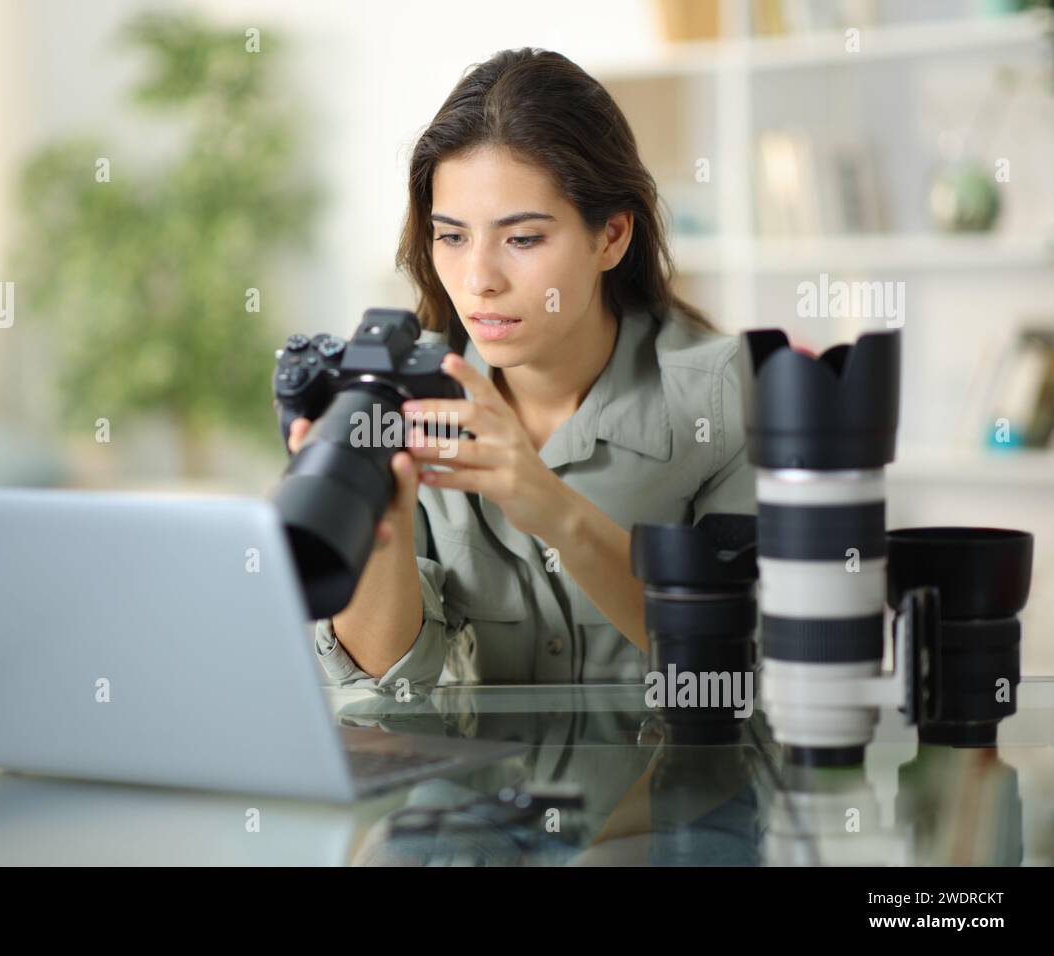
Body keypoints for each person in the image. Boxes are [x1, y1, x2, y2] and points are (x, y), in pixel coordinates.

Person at [287, 48, 755, 690]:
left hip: (672, 789)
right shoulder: (402, 400)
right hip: (474, 789)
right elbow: (387, 683)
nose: (479, 280)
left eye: (523, 239)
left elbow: (730, 663)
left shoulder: (728, 399)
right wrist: (377, 527)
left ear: (612, 236)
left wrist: (552, 507)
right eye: (451, 236)